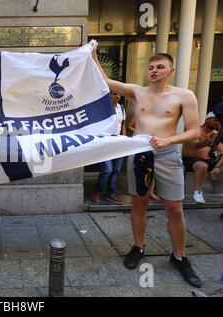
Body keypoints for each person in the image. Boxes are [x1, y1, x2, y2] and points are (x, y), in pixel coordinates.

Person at [92, 46, 203, 288]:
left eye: (160, 67)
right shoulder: (137, 91)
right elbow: (107, 82)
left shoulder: (184, 96)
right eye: (151, 67)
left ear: (171, 70)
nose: (154, 70)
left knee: (174, 209)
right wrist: (91, 56)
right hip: (139, 154)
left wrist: (169, 140)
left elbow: (195, 131)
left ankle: (180, 257)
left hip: (167, 155)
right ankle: (138, 247)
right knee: (139, 203)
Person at [91, 91, 126, 205]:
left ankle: (111, 193)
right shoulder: (102, 107)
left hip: (119, 142)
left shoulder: (121, 108)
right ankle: (97, 191)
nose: (118, 96)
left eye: (119, 94)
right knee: (107, 170)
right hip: (105, 142)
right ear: (108, 95)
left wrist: (124, 139)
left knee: (116, 170)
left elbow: (123, 124)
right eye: (114, 94)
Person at [182, 112, 222, 203]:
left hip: (209, 160)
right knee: (202, 166)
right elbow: (195, 145)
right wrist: (211, 141)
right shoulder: (195, 131)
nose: (218, 123)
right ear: (208, 120)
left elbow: (221, 150)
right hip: (191, 160)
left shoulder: (215, 133)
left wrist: (217, 167)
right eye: (215, 120)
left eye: (219, 121)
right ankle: (198, 192)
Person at [128, 114, 161, 201]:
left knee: (151, 168)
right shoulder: (138, 113)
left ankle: (151, 192)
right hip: (139, 144)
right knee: (138, 168)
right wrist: (139, 134)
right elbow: (129, 126)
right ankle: (135, 193)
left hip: (152, 144)